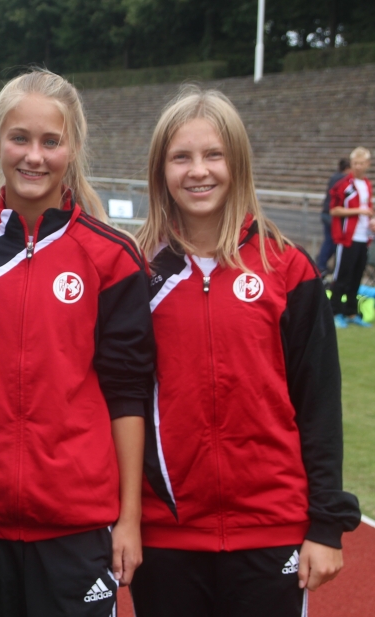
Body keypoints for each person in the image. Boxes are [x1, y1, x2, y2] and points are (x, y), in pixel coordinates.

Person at [133, 87, 360, 617]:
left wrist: (325, 524)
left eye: (214, 154)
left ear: (237, 162)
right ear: (160, 169)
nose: (199, 171)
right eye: (181, 157)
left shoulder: (289, 268)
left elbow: (319, 404)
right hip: (166, 534)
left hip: (271, 530)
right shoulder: (135, 273)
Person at [0, 69, 155, 617]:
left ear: (72, 148)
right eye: (20, 138)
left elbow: (129, 394)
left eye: (50, 141)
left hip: (76, 526)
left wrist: (128, 518)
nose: (33, 156)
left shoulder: (112, 258)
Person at [329, 147, 374, 328]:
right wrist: (358, 211)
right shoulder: (343, 185)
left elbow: (367, 209)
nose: (358, 166)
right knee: (342, 276)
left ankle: (351, 312)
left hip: (364, 237)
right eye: (355, 163)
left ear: (367, 164)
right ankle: (334, 311)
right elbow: (334, 210)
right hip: (347, 238)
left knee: (356, 276)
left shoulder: (367, 184)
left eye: (362, 163)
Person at [316, 158, 350, 275]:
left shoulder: (335, 177)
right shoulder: (343, 180)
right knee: (332, 241)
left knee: (329, 241)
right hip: (331, 214)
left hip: (326, 212)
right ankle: (322, 265)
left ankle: (321, 263)